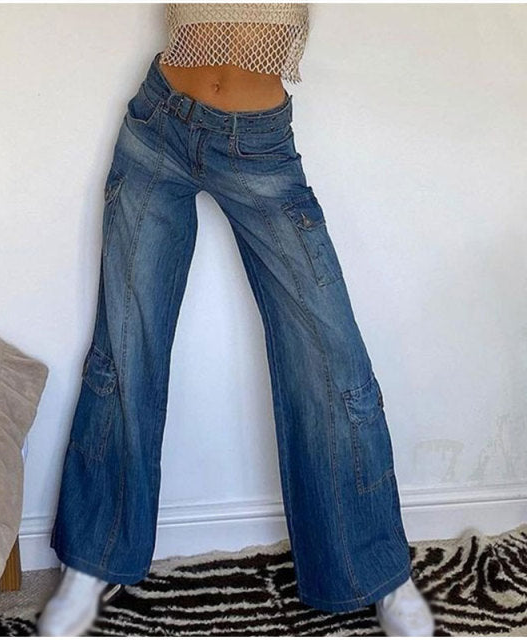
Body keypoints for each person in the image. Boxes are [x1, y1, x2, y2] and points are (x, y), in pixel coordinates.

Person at [38, 3, 435, 636]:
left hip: (258, 144)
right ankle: (94, 558)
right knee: (127, 347)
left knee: (330, 362)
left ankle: (375, 570)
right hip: (158, 124)